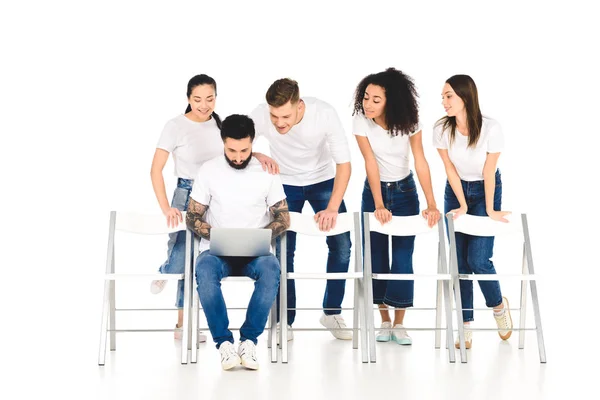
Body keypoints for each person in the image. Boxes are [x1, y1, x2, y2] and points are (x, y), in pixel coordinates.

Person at [149, 74, 277, 340]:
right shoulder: (175, 126)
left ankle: (183, 326)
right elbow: (155, 169)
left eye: (210, 99)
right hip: (187, 193)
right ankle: (165, 271)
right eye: (197, 99)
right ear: (188, 99)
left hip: (216, 193)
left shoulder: (219, 123)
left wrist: (259, 154)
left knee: (200, 259)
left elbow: (235, 151)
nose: (204, 105)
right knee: (181, 258)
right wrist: (166, 208)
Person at [250, 78, 353, 341]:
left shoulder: (324, 113)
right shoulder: (262, 115)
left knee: (342, 246)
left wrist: (332, 208)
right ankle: (285, 319)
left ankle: (331, 312)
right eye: (274, 116)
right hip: (284, 183)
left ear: (299, 106)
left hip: (323, 180)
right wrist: (258, 155)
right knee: (284, 251)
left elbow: (344, 165)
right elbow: (234, 140)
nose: (279, 122)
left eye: (285, 116)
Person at [186, 114, 290, 370]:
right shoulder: (209, 170)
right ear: (223, 142)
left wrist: (262, 235)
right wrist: (215, 235)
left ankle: (249, 341)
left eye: (244, 150)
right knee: (204, 271)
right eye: (232, 150)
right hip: (215, 250)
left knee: (272, 269)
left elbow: (283, 217)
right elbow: (192, 216)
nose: (238, 156)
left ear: (253, 143)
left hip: (256, 252)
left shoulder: (267, 172)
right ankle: (224, 344)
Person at [353, 67, 440, 345]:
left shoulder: (409, 121)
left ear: (392, 101)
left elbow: (420, 160)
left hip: (405, 192)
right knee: (377, 257)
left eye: (376, 100)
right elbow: (370, 162)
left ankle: (400, 323)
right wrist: (378, 204)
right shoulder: (361, 120)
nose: (368, 104)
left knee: (402, 259)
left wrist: (431, 203)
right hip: (374, 191)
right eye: (366, 97)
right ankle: (384, 321)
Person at [432, 74, 513, 349]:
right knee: (459, 262)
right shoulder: (442, 129)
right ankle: (465, 324)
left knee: (479, 260)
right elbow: (449, 168)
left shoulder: (491, 128)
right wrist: (462, 204)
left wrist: (489, 208)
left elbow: (489, 171)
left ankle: (499, 306)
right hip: (455, 191)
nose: (443, 101)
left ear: (465, 96)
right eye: (442, 96)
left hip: (486, 189)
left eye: (448, 96)